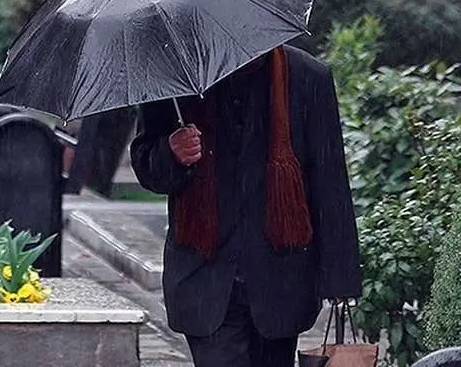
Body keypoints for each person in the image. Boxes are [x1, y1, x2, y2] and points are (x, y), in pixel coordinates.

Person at [130, 45, 362, 367]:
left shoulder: (308, 77)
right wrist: (171, 153)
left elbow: (329, 179)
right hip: (205, 280)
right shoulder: (174, 78)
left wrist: (340, 279)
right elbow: (147, 165)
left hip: (281, 283)